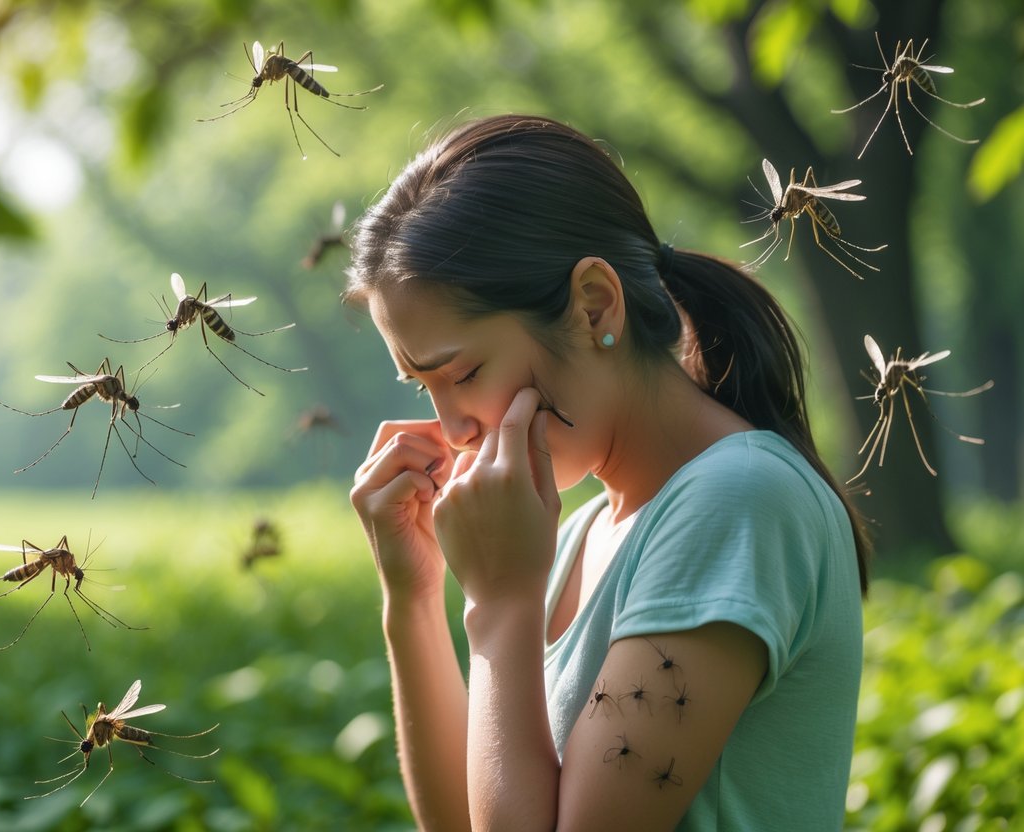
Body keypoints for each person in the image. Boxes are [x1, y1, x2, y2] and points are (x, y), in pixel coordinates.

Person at [345, 114, 868, 831]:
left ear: (594, 305)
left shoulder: (738, 502)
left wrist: (498, 607)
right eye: (420, 386)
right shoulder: (579, 535)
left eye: (463, 372)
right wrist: (413, 595)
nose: (455, 425)